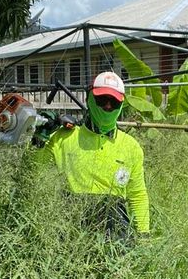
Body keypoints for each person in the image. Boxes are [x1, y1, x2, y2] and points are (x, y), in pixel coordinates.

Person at [35, 71, 150, 236]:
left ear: (122, 104)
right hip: (71, 233)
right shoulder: (64, 137)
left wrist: (144, 234)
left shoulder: (131, 147)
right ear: (89, 99)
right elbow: (32, 174)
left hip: (116, 239)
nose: (108, 106)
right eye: (102, 100)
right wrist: (39, 141)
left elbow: (137, 194)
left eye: (114, 102)